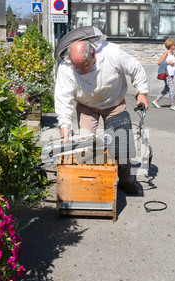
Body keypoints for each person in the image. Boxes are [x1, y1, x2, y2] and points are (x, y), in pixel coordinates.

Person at [54, 26, 149, 195]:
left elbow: (136, 69)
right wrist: (64, 126)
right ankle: (88, 181)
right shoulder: (67, 66)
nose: (81, 71)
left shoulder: (112, 53)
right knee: (85, 143)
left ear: (93, 54)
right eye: (78, 69)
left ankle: (126, 181)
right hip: (86, 105)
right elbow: (63, 97)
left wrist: (141, 93)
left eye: (84, 66)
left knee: (121, 144)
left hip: (113, 103)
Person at [152, 38, 175, 111]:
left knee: (166, 90)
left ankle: (156, 101)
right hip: (167, 75)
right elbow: (159, 62)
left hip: (171, 74)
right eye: (174, 44)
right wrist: (168, 63)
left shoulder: (173, 54)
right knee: (173, 89)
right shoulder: (166, 53)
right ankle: (173, 105)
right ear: (170, 45)